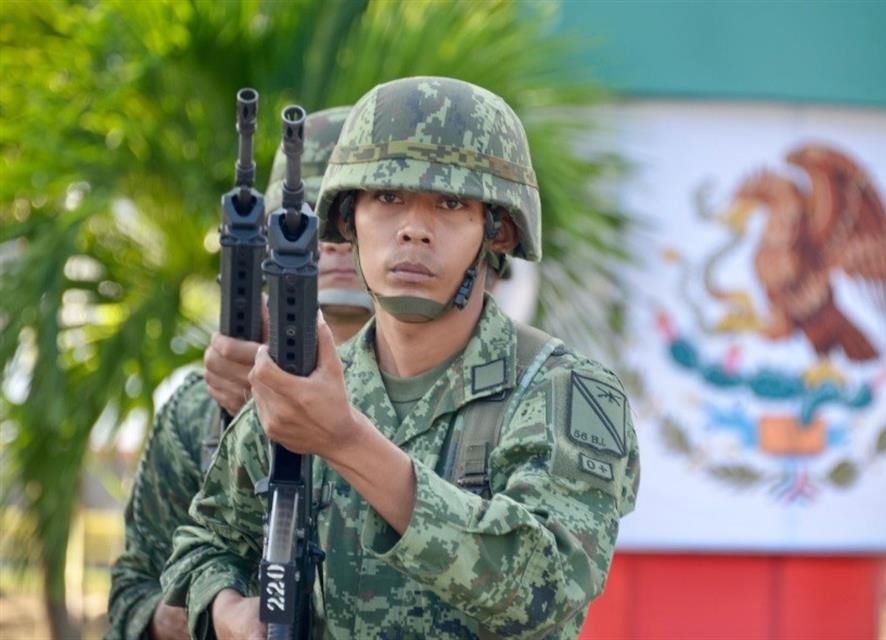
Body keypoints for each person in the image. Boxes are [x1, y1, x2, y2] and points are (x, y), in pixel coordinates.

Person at [163, 76, 641, 640]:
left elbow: (543, 588)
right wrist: (228, 612)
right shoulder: (306, 386)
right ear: (348, 220)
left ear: (499, 231)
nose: (414, 229)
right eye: (388, 198)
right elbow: (204, 543)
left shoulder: (562, 392)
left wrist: (344, 441)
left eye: (450, 203)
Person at [107, 106, 371, 640]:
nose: (335, 244)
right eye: (309, 221)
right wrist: (213, 611)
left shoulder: (442, 399)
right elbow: (130, 598)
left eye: (351, 218)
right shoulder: (198, 410)